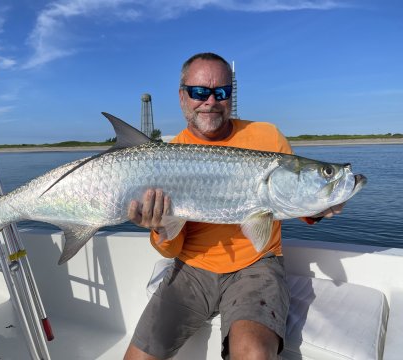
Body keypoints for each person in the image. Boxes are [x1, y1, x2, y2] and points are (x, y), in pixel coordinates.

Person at [124, 52, 344, 360]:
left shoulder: (268, 136)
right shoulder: (170, 153)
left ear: (231, 95)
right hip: (190, 268)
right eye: (199, 92)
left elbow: (290, 199)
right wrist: (160, 226)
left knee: (253, 353)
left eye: (221, 92)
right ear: (182, 96)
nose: (210, 101)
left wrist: (319, 207)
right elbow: (171, 249)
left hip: (257, 265)